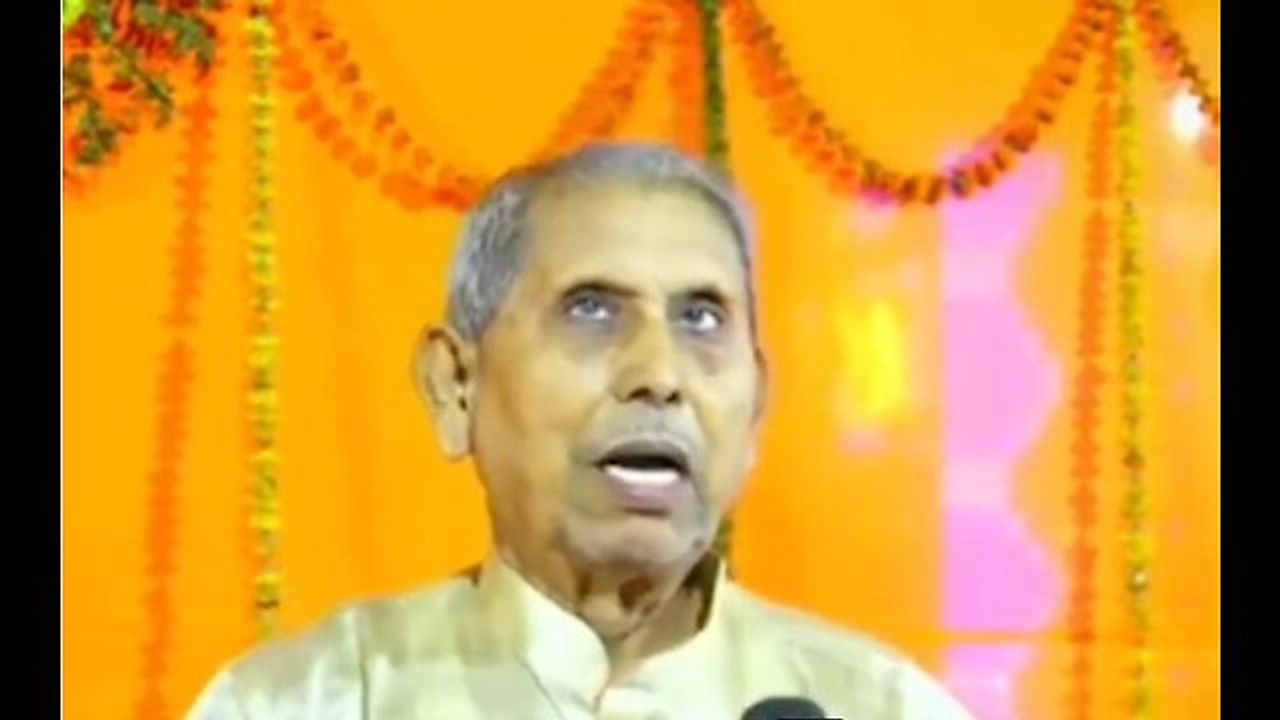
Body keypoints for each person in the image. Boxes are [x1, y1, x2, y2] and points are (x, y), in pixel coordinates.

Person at [186, 143, 974, 719]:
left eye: (702, 318)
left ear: (757, 405)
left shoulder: (881, 708)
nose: (659, 373)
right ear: (456, 387)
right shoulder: (308, 702)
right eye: (592, 310)